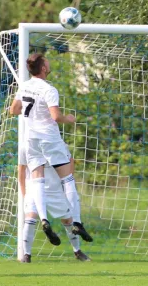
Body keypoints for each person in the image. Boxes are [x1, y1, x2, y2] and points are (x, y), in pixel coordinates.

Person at [9, 53, 93, 245]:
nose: (49, 61)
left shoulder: (24, 86)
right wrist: (68, 119)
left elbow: (13, 110)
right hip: (49, 138)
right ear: (44, 68)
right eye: (47, 60)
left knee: (37, 178)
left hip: (31, 138)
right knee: (68, 179)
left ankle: (44, 219)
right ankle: (77, 222)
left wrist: (32, 112)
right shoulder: (49, 89)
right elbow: (55, 116)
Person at [16, 143, 90, 262]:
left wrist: (67, 185)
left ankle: (77, 251)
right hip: (34, 188)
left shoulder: (58, 144)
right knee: (30, 217)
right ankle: (26, 255)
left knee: (68, 220)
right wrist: (24, 194)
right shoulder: (26, 146)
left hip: (55, 189)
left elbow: (70, 162)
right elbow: (21, 171)